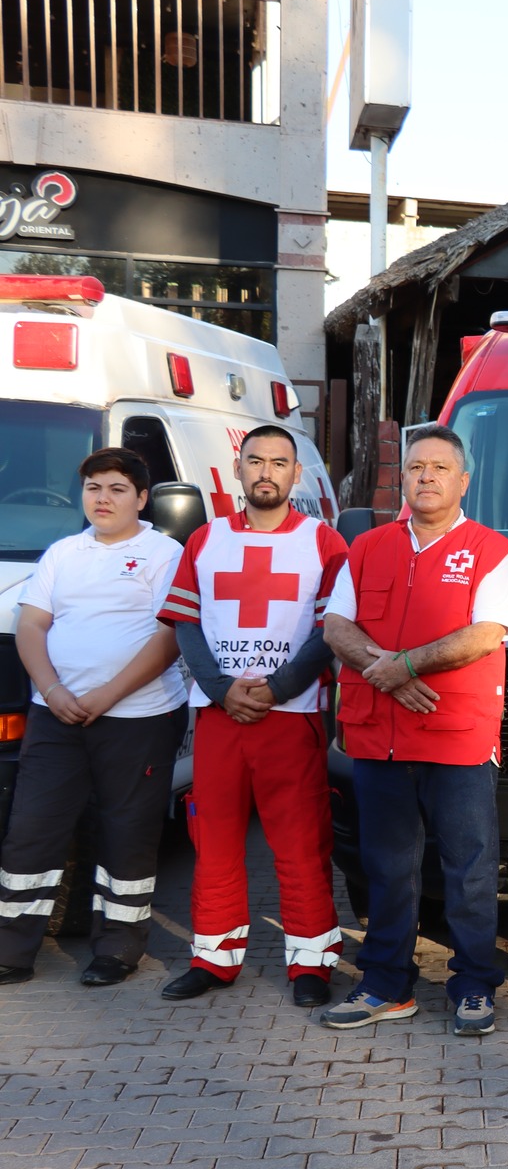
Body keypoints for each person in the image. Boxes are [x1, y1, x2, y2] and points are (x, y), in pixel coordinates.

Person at [320, 426, 508, 1035]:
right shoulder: (367, 547)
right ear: (403, 478)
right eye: (415, 467)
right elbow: (336, 627)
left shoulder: (490, 551)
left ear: (463, 481)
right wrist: (391, 675)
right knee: (386, 868)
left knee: (469, 869)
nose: (426, 476)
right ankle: (386, 985)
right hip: (379, 739)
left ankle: (474, 986)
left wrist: (402, 666)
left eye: (439, 467)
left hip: (456, 736)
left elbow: (486, 633)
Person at [157, 425, 349, 1007]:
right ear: (239, 469)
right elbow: (186, 622)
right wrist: (221, 690)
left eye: (279, 463)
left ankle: (311, 963)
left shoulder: (324, 542)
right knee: (213, 839)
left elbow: (332, 629)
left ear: (296, 474)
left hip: (292, 715)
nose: (267, 472)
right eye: (256, 461)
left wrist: (279, 686)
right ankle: (213, 959)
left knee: (300, 842)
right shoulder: (205, 539)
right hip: (220, 716)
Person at [0, 448, 186, 987]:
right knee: (32, 830)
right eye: (93, 488)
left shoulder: (164, 553)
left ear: (142, 498)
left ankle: (117, 950)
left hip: (139, 717)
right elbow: (31, 626)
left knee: (128, 833)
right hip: (55, 716)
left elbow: (170, 636)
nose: (102, 499)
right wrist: (52, 689)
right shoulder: (63, 553)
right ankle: (11, 950)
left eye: (117, 489)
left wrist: (107, 694)